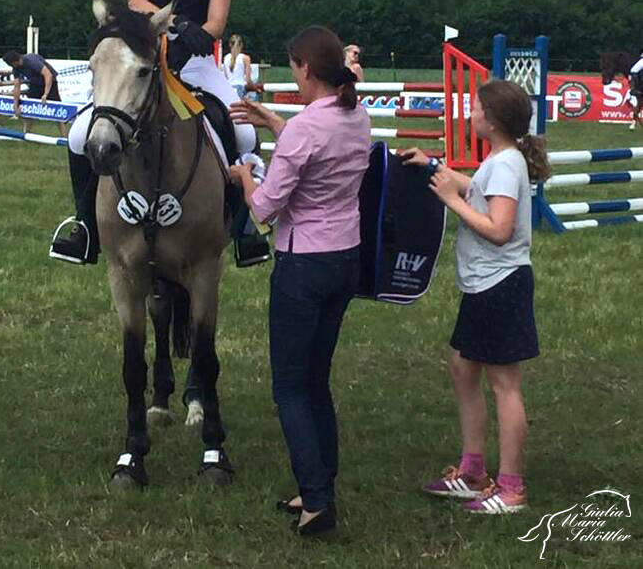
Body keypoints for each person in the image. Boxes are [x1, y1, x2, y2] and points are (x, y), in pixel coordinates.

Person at [51, 0, 265, 266]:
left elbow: (217, 21)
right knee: (80, 135)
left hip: (195, 60)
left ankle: (243, 229)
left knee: (243, 133)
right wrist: (177, 24)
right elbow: (137, 0)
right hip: (144, 53)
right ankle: (85, 227)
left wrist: (198, 35)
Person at [229, 26, 371, 536]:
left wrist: (245, 177)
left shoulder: (305, 129)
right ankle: (319, 484)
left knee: (289, 387)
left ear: (305, 68)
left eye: (293, 67)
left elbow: (265, 209)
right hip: (345, 256)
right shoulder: (357, 115)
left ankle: (316, 500)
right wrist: (273, 121)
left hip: (303, 264)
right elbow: (313, 142)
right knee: (316, 381)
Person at [398, 79, 550, 515]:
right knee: (463, 368)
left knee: (505, 385)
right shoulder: (502, 160)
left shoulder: (504, 164)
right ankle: (472, 472)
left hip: (500, 284)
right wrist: (436, 168)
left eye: (477, 108)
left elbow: (500, 230)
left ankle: (512, 488)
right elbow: (482, 192)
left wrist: (451, 199)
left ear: (493, 120)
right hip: (484, 285)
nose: (471, 113)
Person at [2, 51, 67, 137]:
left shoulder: (31, 62)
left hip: (50, 82)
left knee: (57, 111)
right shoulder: (15, 68)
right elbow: (17, 86)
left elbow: (48, 75)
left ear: (15, 61)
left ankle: (64, 137)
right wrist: (15, 105)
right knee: (29, 109)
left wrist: (45, 94)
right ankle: (26, 135)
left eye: (11, 64)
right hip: (35, 83)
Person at [222, 34, 252, 98]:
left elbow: (226, 76)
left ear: (230, 44)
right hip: (240, 87)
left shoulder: (226, 57)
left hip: (228, 88)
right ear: (241, 45)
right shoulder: (245, 58)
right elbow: (248, 80)